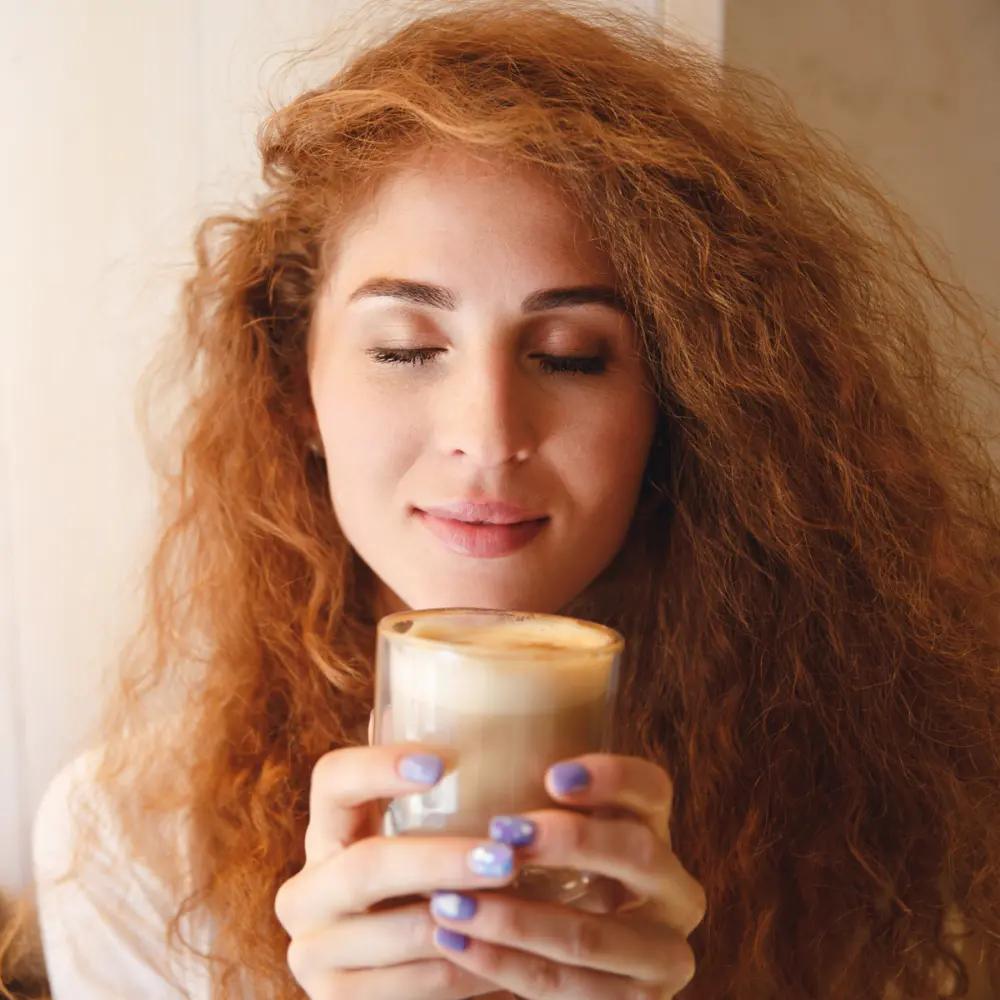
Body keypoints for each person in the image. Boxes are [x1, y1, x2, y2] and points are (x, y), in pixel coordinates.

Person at [22, 0, 1000, 998]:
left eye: (571, 357)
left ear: (678, 401)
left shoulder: (876, 810)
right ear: (294, 390)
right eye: (404, 348)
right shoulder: (128, 836)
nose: (488, 434)